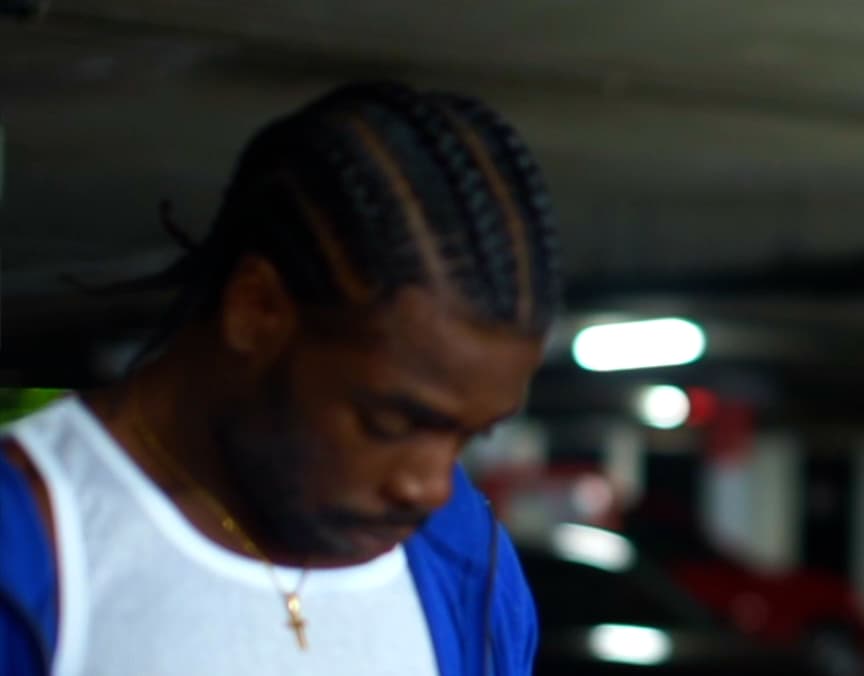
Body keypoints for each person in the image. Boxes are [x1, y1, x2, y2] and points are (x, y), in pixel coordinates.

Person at [0, 81, 562, 675]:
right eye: (389, 423)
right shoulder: (33, 543)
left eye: (470, 435)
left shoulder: (465, 555)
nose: (430, 487)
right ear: (257, 309)